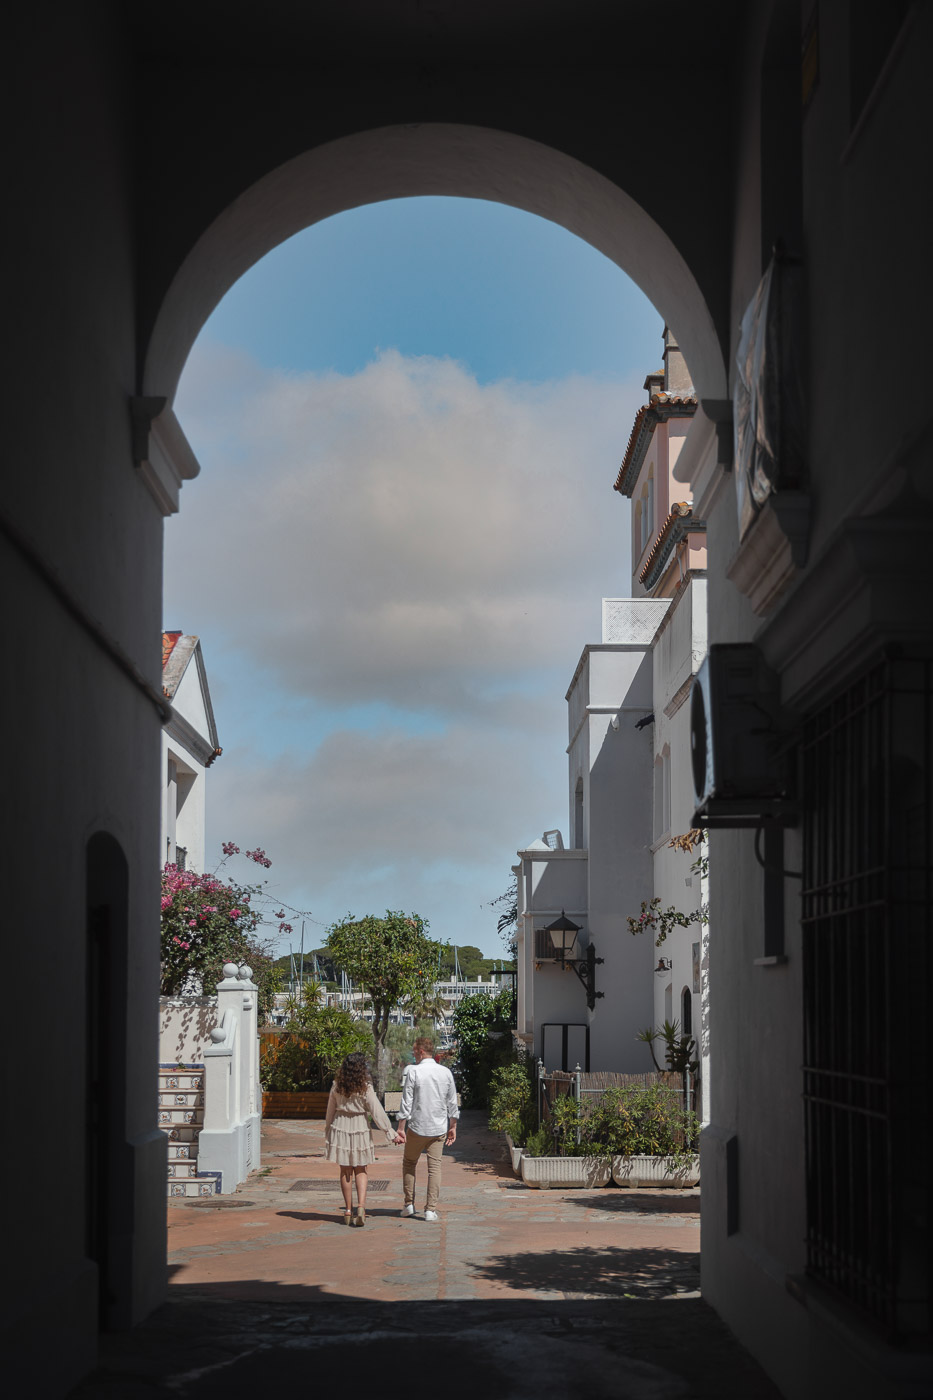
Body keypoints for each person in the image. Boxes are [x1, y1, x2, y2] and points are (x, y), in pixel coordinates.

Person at [324, 1052, 396, 1226]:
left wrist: (328, 1130)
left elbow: (330, 1111)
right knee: (361, 1169)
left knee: (345, 1170)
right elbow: (375, 1110)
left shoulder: (336, 1085)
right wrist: (389, 1130)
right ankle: (361, 1208)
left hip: (341, 1125)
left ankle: (348, 1211)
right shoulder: (365, 1086)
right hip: (360, 1126)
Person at [394, 1036, 459, 1222]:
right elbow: (452, 1102)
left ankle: (408, 1205)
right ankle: (430, 1210)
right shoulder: (445, 1073)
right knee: (435, 1168)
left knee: (409, 1163)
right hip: (438, 1128)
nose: (414, 1056)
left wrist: (400, 1128)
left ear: (421, 1051)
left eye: (414, 1052)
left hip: (417, 1127)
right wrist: (453, 1126)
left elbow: (406, 1103)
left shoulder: (414, 1072)